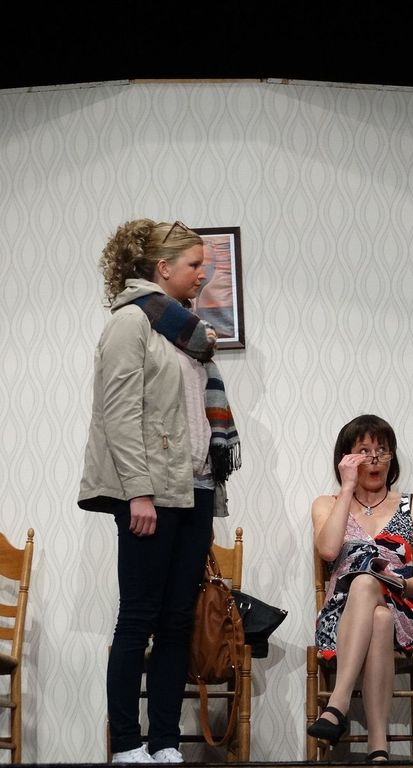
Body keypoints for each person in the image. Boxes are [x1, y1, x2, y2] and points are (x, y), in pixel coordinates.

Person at [79, 219, 242, 764]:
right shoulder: (131, 323)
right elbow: (120, 415)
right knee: (138, 618)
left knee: (177, 622)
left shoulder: (187, 332)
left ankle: (165, 741)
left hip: (195, 489)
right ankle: (127, 743)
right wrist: (138, 494)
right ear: (163, 268)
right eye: (194, 265)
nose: (202, 275)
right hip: (152, 493)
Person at [308, 414, 413, 762]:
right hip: (343, 615)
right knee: (377, 616)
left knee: (368, 584)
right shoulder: (327, 504)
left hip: (401, 607)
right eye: (364, 451)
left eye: (382, 450)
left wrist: (399, 583)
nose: (375, 458)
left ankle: (337, 705)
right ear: (347, 458)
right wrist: (347, 487)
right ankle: (378, 748)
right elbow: (328, 550)